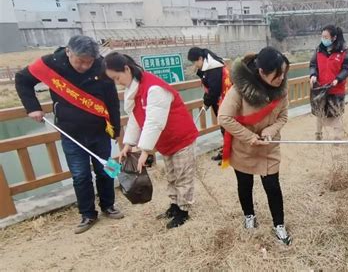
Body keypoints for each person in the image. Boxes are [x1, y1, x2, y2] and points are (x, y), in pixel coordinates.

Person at [15, 35, 123, 234]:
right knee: (80, 175)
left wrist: (115, 128)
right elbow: (22, 79)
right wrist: (33, 107)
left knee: (106, 169)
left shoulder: (101, 66)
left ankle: (109, 206)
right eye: (80, 61)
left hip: (100, 130)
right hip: (70, 132)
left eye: (88, 61)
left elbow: (112, 100)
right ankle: (88, 214)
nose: (84, 66)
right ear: (68, 52)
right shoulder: (52, 63)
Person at [104, 52, 199, 229]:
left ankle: (183, 211)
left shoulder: (153, 88)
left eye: (117, 77)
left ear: (126, 69)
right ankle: (174, 205)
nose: (118, 83)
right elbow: (136, 117)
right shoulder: (136, 88)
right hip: (166, 142)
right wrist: (128, 144)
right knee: (171, 175)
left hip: (181, 138)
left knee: (183, 176)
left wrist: (145, 150)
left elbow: (154, 121)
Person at [218, 47, 292, 245]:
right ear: (261, 72)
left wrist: (271, 130)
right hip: (244, 147)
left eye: (284, 72)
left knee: (273, 187)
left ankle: (279, 224)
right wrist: (249, 136)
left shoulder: (281, 88)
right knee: (245, 184)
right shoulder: (239, 89)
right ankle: (249, 215)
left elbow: (284, 116)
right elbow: (224, 117)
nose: (282, 78)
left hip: (269, 147)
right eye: (277, 74)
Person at [187, 47, 232, 163]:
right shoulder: (210, 65)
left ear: (200, 58)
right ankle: (227, 151)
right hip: (221, 101)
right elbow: (208, 83)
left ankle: (229, 154)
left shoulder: (213, 67)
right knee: (224, 128)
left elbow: (214, 90)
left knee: (227, 128)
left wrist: (206, 102)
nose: (195, 65)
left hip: (225, 102)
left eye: (195, 62)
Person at [309, 25, 348, 140]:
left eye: (326, 37)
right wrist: (313, 75)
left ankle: (337, 137)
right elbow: (313, 65)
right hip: (321, 87)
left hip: (336, 88)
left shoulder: (343, 51)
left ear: (333, 38)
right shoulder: (318, 50)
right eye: (322, 36)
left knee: (336, 113)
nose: (323, 39)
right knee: (319, 111)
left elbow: (346, 68)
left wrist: (338, 79)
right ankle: (318, 134)